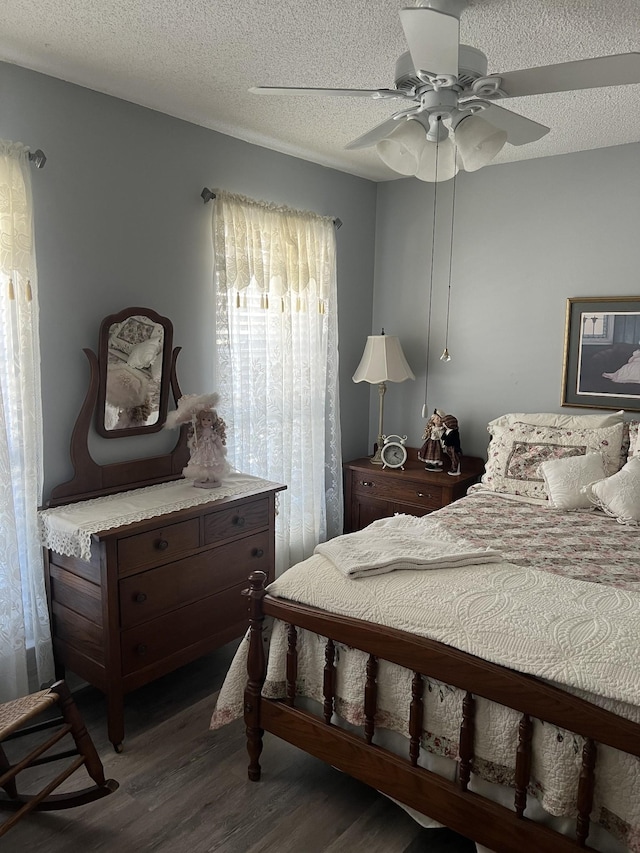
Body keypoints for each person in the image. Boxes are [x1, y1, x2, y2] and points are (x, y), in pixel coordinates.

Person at [183, 407, 230, 488]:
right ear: (200, 420)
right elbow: (194, 440)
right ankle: (203, 477)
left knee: (212, 463)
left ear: (213, 421)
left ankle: (211, 477)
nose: (205, 422)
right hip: (202, 450)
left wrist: (221, 448)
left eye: (209, 420)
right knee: (201, 463)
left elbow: (217, 440)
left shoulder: (213, 433)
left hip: (212, 450)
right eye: (203, 419)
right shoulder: (199, 431)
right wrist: (194, 443)